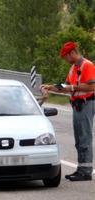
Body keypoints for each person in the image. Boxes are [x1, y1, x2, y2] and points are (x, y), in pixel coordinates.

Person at [41, 41, 95, 181]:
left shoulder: (87, 65)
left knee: (85, 138)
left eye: (66, 57)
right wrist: (51, 87)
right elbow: (65, 85)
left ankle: (86, 171)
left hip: (86, 103)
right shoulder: (73, 68)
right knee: (79, 139)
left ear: (72, 53)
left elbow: (91, 87)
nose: (66, 60)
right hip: (77, 105)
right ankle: (81, 169)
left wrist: (72, 88)